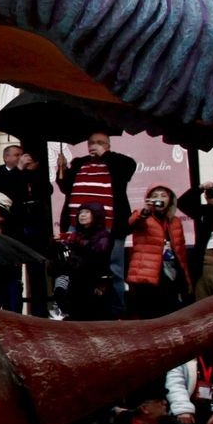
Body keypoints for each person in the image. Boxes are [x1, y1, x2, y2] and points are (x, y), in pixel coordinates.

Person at [58, 133, 137, 312]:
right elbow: (66, 187)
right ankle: (78, 307)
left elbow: (128, 169)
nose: (95, 145)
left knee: (113, 268)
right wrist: (61, 169)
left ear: (108, 145)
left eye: (100, 142)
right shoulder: (79, 163)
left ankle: (116, 309)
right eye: (92, 142)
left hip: (109, 226)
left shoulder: (118, 162)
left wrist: (105, 155)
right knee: (75, 266)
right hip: (78, 224)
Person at [0, 144, 52, 311]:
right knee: (11, 274)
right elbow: (4, 192)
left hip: (32, 227)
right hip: (11, 229)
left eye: (22, 155)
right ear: (6, 158)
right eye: (16, 155)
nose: (21, 158)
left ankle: (40, 312)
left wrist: (33, 172)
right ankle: (12, 310)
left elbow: (47, 190)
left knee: (37, 271)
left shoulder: (28, 174)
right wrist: (19, 169)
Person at [124, 184, 189, 319]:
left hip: (170, 274)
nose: (159, 199)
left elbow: (181, 252)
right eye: (155, 196)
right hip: (146, 277)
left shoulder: (175, 221)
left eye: (163, 196)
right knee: (149, 318)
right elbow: (131, 223)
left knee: (171, 316)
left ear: (170, 200)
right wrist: (145, 211)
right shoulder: (143, 216)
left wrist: (186, 280)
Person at [54, 205, 116, 320]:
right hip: (77, 283)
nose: (82, 215)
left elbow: (99, 251)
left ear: (96, 215)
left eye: (87, 212)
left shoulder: (104, 235)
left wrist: (77, 241)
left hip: (95, 282)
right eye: (80, 212)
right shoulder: (76, 234)